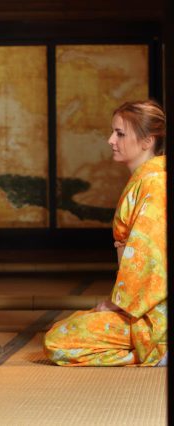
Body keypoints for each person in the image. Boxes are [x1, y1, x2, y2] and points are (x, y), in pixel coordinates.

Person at [44, 100, 167, 366]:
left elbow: (150, 258)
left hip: (153, 309)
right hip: (138, 301)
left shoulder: (155, 184)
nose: (111, 140)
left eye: (120, 133)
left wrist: (119, 304)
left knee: (58, 341)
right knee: (73, 326)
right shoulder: (147, 179)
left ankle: (159, 348)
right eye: (113, 132)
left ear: (147, 141)